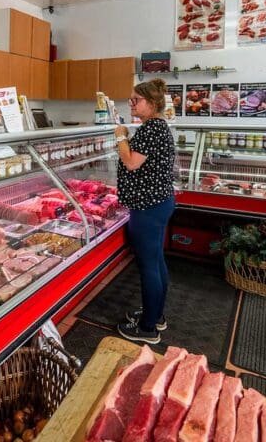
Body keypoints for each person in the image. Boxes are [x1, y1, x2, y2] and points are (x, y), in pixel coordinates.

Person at [114, 78, 175, 345]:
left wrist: (120, 136)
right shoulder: (158, 127)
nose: (131, 104)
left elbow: (130, 163)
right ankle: (156, 314)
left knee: (149, 265)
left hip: (148, 207)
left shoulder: (151, 129)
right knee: (157, 261)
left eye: (135, 100)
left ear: (151, 104)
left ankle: (148, 328)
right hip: (159, 202)